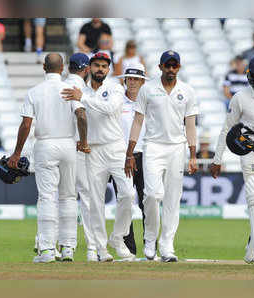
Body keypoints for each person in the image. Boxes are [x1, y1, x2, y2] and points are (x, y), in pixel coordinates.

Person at [7, 53, 89, 263]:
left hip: (45, 144)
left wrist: (17, 153)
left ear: (44, 67)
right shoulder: (69, 90)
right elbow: (81, 116)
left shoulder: (34, 91)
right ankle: (68, 248)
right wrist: (84, 141)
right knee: (69, 196)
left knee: (47, 197)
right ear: (62, 68)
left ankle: (47, 251)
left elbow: (26, 125)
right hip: (68, 144)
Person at [125, 50, 198, 262]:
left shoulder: (187, 90)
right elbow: (137, 121)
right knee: (152, 195)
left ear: (179, 68)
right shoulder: (148, 89)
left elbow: (190, 125)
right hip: (153, 147)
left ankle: (167, 246)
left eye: (175, 66)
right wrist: (129, 152)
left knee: (172, 200)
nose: (171, 69)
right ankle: (150, 239)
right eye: (168, 65)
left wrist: (193, 155)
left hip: (177, 147)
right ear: (160, 67)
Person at [61, 52, 135, 262]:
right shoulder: (80, 90)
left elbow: (110, 109)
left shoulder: (114, 88)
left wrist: (83, 98)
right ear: (89, 68)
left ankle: (117, 237)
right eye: (96, 66)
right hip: (92, 150)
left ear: (108, 70)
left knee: (128, 194)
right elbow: (78, 117)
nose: (100, 69)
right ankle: (101, 249)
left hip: (115, 147)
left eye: (104, 66)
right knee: (95, 201)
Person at [211, 56, 254, 265]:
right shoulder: (240, 98)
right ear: (250, 76)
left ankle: (252, 250)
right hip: (250, 153)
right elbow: (227, 129)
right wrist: (217, 158)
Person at [109, 62, 148, 257]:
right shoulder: (117, 102)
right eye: (129, 78)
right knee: (125, 202)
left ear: (142, 81)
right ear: (124, 80)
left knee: (147, 203)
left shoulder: (149, 102)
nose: (132, 82)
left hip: (146, 157)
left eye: (136, 79)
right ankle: (128, 249)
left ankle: (150, 247)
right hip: (121, 157)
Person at [64, 52, 98, 262]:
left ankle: (57, 246)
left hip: (60, 147)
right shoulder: (80, 90)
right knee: (86, 199)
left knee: (62, 198)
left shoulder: (56, 85)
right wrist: (84, 142)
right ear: (86, 70)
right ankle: (92, 249)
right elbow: (82, 115)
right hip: (78, 150)